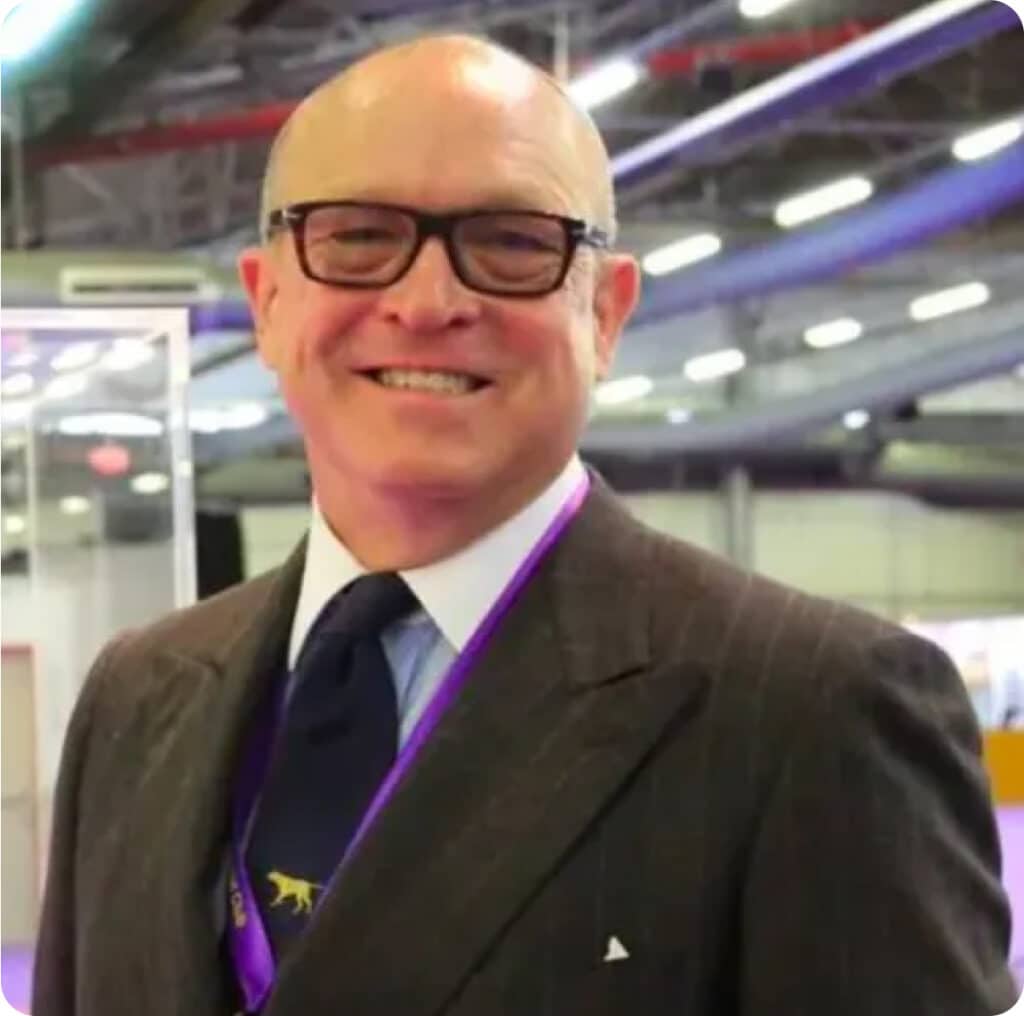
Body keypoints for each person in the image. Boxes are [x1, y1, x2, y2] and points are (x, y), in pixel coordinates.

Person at [32, 34, 1017, 1016]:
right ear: (268, 300)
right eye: (357, 235)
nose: (426, 302)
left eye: (511, 242)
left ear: (606, 312)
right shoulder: (136, 695)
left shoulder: (814, 712)